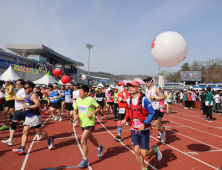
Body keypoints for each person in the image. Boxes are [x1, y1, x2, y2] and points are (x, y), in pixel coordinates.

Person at [122, 80, 162, 170]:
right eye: (129, 86)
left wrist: (144, 123)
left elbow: (152, 113)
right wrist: (125, 118)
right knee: (136, 151)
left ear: (138, 88)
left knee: (144, 153)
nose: (130, 88)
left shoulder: (144, 100)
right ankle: (143, 168)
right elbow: (128, 111)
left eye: (132, 86)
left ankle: (155, 150)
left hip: (144, 129)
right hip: (133, 129)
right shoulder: (129, 100)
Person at [12, 81, 54, 154]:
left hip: (34, 116)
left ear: (30, 87)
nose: (24, 89)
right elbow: (28, 104)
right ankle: (22, 148)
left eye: (26, 88)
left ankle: (49, 139)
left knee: (39, 131)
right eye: (24, 88)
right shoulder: (28, 95)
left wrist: (28, 106)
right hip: (28, 116)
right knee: (25, 132)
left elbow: (38, 105)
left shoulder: (33, 95)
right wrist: (25, 107)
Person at [73, 85, 104, 168]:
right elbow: (75, 109)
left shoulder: (91, 100)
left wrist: (92, 113)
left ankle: (85, 159)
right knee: (90, 138)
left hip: (90, 123)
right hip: (82, 123)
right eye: (79, 91)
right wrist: (75, 115)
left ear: (85, 92)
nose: (79, 93)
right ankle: (99, 147)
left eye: (80, 91)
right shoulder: (78, 100)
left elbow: (99, 107)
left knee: (83, 140)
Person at [2, 79, 26, 145]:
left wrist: (15, 98)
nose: (16, 85)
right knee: (13, 124)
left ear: (22, 85)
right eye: (16, 83)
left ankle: (39, 132)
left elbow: (24, 98)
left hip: (22, 110)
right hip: (17, 111)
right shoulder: (19, 91)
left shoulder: (22, 91)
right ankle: (10, 139)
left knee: (32, 125)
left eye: (17, 84)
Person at [144, 77, 166, 143]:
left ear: (151, 82)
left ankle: (163, 133)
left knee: (157, 127)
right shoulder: (146, 89)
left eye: (147, 81)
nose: (146, 83)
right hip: (148, 109)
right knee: (145, 124)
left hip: (156, 109)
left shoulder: (155, 89)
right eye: (145, 82)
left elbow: (163, 97)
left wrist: (154, 98)